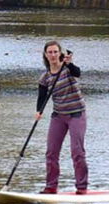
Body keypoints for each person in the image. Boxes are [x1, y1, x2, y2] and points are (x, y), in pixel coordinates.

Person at [34, 40, 88, 195]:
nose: (52, 55)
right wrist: (39, 111)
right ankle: (51, 187)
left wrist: (70, 63)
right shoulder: (45, 77)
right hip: (58, 116)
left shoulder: (67, 69)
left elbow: (78, 72)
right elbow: (42, 97)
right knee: (51, 152)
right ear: (45, 55)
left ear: (60, 53)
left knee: (77, 151)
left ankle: (82, 188)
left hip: (77, 114)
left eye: (55, 52)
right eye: (49, 52)